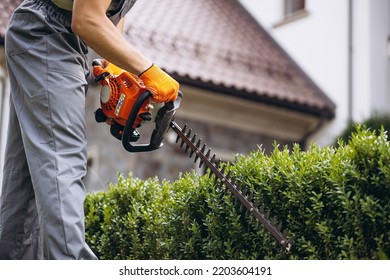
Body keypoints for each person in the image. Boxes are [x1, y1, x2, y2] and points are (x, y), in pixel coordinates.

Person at [0, 0, 179, 260]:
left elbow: (112, 16)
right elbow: (86, 19)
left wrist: (116, 68)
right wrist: (148, 70)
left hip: (56, 39)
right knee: (63, 165)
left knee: (27, 180)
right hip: (47, 34)